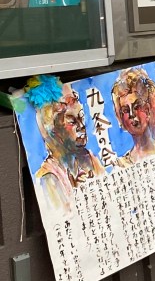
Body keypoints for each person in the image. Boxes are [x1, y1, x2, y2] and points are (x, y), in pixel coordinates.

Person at [34, 83, 104, 217]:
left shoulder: (88, 158)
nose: (81, 126)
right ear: (53, 130)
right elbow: (63, 218)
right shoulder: (48, 178)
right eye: (72, 121)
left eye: (81, 117)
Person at [110, 68, 155, 166]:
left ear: (148, 108)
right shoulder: (120, 166)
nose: (132, 114)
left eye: (137, 106)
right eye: (125, 110)